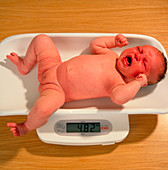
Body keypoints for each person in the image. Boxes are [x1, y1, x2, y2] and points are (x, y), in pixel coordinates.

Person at [6, 34, 167, 137]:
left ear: (141, 78)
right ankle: (25, 66)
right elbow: (95, 45)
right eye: (140, 50)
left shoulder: (118, 84)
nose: (138, 55)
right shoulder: (111, 55)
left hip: (56, 90)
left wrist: (137, 84)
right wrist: (113, 41)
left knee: (42, 109)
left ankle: (26, 126)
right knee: (41, 39)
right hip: (53, 65)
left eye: (144, 62)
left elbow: (119, 98)